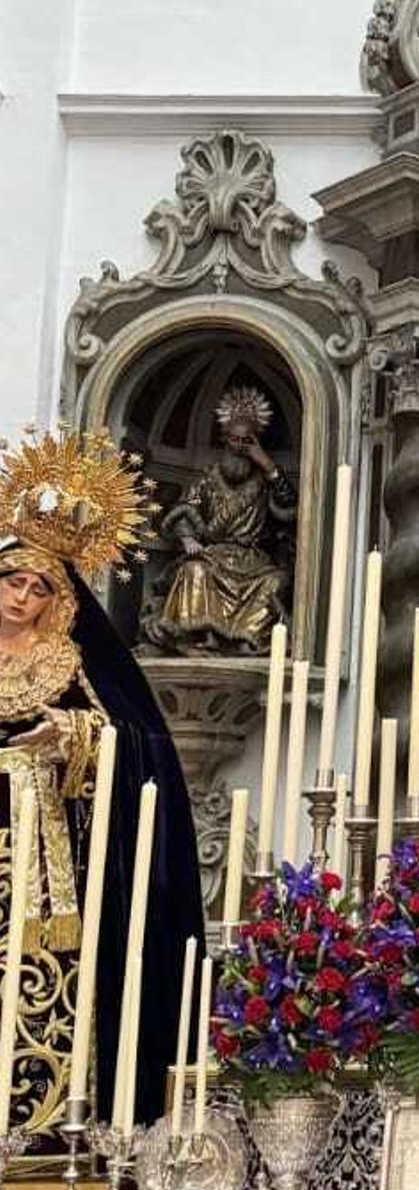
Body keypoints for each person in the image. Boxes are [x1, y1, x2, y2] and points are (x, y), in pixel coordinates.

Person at [0, 428, 205, 1136]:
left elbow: (136, 742)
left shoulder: (75, 663)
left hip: (48, 864)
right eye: (13, 580)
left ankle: (44, 1125)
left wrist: (71, 738)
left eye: (38, 587)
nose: (22, 596)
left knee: (41, 992)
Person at [145, 384, 296, 652]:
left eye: (246, 441)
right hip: (214, 555)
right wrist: (189, 538)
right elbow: (182, 509)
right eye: (234, 440)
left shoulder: (265, 480)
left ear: (255, 442)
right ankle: (202, 638)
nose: (239, 447)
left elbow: (290, 507)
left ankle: (246, 641)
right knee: (193, 570)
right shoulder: (208, 480)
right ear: (225, 439)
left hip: (253, 561)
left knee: (276, 582)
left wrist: (267, 465)